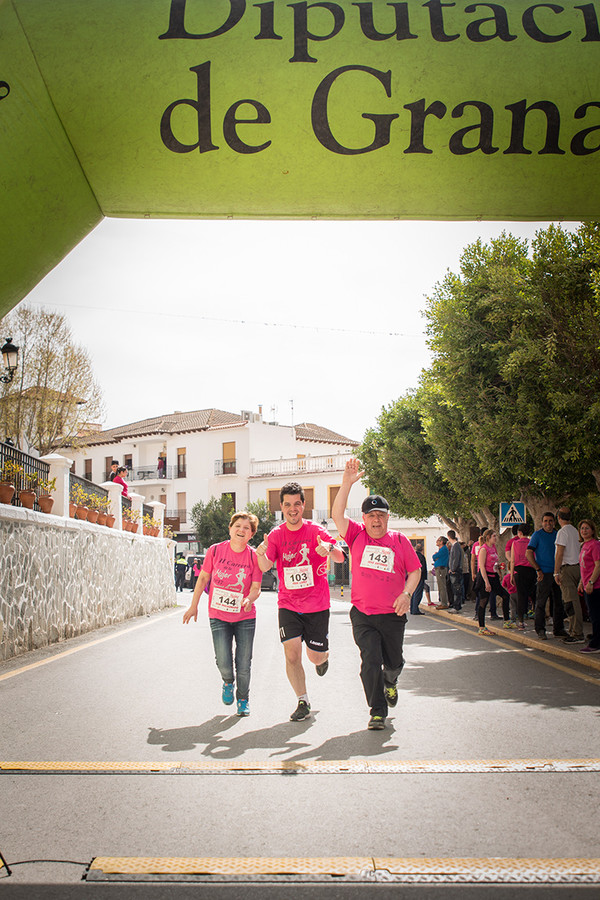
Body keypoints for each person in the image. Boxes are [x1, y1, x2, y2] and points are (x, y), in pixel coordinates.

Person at [332, 459, 421, 731]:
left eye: (381, 515)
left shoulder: (399, 540)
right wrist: (346, 483)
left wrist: (406, 594)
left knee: (392, 663)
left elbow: (415, 571)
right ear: (364, 519)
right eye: (371, 516)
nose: (376, 520)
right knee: (370, 660)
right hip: (363, 615)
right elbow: (337, 515)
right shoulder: (356, 536)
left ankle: (391, 681)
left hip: (392, 615)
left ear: (387, 517)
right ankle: (377, 711)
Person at [256, 481, 344, 722]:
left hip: (317, 605)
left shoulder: (316, 531)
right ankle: (302, 700)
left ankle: (323, 657)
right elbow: (265, 566)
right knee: (292, 655)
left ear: (303, 505)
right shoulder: (276, 535)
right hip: (288, 604)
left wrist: (329, 548)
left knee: (315, 656)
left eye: (297, 504)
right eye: (287, 505)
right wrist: (260, 553)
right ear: (281, 508)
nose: (292, 509)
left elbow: (340, 555)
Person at [183, 512, 262, 715]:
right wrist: (194, 606)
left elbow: (256, 588)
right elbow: (202, 580)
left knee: (244, 663)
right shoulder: (215, 551)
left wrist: (249, 599)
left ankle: (243, 699)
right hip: (218, 615)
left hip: (245, 617)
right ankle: (228, 681)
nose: (241, 530)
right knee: (223, 660)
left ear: (251, 534)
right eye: (238, 526)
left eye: (246, 528)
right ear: (230, 528)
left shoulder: (254, 556)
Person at [526, 512, 567, 640]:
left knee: (559, 603)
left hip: (558, 573)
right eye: (545, 521)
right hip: (544, 574)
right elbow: (528, 553)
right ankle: (540, 629)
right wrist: (538, 569)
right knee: (541, 603)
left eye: (550, 521)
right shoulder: (537, 535)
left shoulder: (558, 534)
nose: (548, 523)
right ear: (542, 522)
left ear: (554, 522)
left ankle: (559, 629)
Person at [554, 507, 584, 644]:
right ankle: (574, 630)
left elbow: (560, 553)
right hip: (578, 567)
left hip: (567, 569)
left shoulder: (562, 532)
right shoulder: (575, 531)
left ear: (559, 517)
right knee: (574, 601)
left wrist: (556, 571)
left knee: (570, 602)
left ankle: (576, 633)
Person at [475, 529, 511, 634]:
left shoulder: (493, 548)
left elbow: (495, 562)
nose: (496, 538)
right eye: (494, 536)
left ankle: (507, 621)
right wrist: (486, 582)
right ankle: (482, 627)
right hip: (485, 577)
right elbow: (481, 566)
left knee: (505, 595)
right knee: (483, 601)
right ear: (488, 537)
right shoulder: (483, 549)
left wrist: (499, 570)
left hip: (494, 576)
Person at [578, 519, 600, 654]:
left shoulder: (595, 545)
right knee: (592, 614)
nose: (584, 531)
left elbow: (598, 565)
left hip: (595, 586)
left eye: (587, 528)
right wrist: (581, 582)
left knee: (596, 615)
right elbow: (583, 567)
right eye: (582, 528)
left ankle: (596, 644)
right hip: (586, 585)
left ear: (592, 530)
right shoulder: (584, 545)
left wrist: (591, 582)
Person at [510, 522, 536, 630]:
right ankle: (538, 618)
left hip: (519, 572)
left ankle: (520, 621)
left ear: (519, 532)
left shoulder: (515, 543)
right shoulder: (532, 542)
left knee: (521, 596)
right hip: (531, 570)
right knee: (534, 596)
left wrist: (511, 575)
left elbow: (512, 560)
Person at [447, 530, 464, 612]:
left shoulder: (456, 546)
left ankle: (457, 606)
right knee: (454, 588)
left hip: (456, 571)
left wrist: (453, 569)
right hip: (454, 570)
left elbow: (456, 559)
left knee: (456, 589)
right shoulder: (455, 545)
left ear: (449, 537)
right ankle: (455, 605)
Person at [410, 542, 428, 615]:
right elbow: (422, 568)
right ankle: (415, 609)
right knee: (418, 593)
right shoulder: (421, 556)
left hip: (413, 576)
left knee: (414, 593)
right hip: (419, 577)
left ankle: (412, 608)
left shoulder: (413, 555)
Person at [432, 536, 450, 609]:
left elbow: (435, 556)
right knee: (441, 586)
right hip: (439, 568)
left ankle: (444, 603)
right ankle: (443, 602)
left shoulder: (443, 549)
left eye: (438, 540)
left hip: (441, 569)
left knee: (442, 586)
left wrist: (435, 555)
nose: (437, 542)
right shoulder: (442, 549)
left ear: (441, 542)